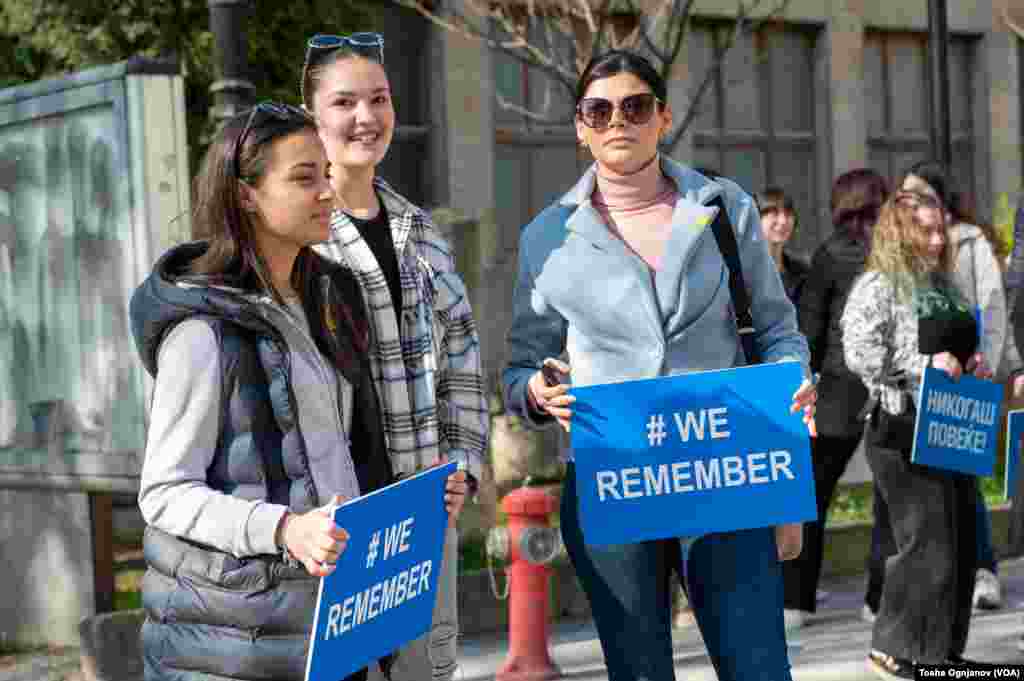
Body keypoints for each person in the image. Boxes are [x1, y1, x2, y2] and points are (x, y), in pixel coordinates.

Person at [503, 49, 817, 681]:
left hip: (725, 470)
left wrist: (793, 381)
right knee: (637, 669)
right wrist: (537, 390)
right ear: (580, 127)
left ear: (662, 118)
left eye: (635, 106)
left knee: (757, 664)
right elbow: (520, 369)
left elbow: (778, 328)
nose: (618, 120)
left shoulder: (725, 206)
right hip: (616, 477)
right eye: (599, 109)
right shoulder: (547, 236)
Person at [130, 102, 470, 681]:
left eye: (325, 175)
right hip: (237, 644)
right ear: (245, 195)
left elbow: (336, 456)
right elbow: (164, 492)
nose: (326, 194)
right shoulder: (202, 330)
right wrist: (285, 529)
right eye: (302, 178)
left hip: (332, 625)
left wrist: (415, 498)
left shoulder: (327, 301)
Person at [300, 32, 488, 681]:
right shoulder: (299, 238)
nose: (365, 118)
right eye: (344, 102)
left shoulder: (421, 231)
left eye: (378, 99)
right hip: (335, 529)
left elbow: (463, 353)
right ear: (312, 117)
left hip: (419, 520)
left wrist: (463, 463)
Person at [842, 180, 996, 679]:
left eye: (940, 231)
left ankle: (941, 655)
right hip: (901, 427)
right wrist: (925, 364)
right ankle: (892, 648)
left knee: (961, 540)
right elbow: (861, 354)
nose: (935, 241)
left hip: (951, 423)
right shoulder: (879, 285)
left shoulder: (942, 283)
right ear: (899, 234)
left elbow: (960, 338)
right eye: (925, 232)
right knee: (925, 540)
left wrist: (973, 362)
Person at [864, 162, 1008, 619]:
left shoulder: (967, 243)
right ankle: (889, 601)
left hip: (958, 383)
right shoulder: (890, 266)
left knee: (961, 491)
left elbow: (990, 307)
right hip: (907, 397)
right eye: (906, 196)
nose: (914, 205)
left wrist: (985, 360)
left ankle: (977, 576)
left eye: (922, 195)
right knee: (909, 505)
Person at [779, 169, 888, 631]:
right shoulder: (890, 253)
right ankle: (880, 599)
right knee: (892, 497)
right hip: (887, 384)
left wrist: (802, 385)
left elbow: (810, 328)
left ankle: (797, 601)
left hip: (838, 391)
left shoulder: (828, 255)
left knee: (811, 496)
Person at [757, 186, 809, 303]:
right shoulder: (740, 272)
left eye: (788, 213)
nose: (783, 221)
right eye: (773, 213)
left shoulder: (803, 273)